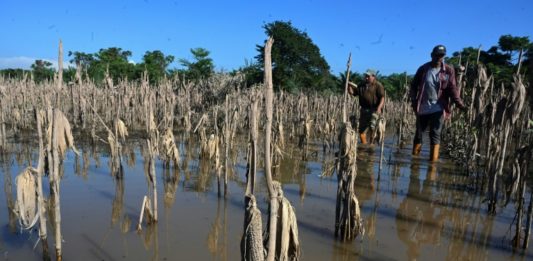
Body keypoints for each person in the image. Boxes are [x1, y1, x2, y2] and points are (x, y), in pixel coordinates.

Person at [410, 45, 466, 161]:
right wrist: (413, 101)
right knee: (419, 134)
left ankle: (433, 164)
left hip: (439, 107)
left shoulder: (448, 70)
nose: (439, 58)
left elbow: (452, 88)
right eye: (437, 55)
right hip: (423, 107)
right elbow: (414, 86)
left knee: (435, 134)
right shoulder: (423, 69)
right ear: (432, 55)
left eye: (441, 56)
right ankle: (415, 161)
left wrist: (459, 103)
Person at [348, 69, 385, 144]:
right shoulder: (361, 85)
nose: (366, 77)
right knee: (361, 132)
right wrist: (348, 86)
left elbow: (382, 98)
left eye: (368, 76)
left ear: (373, 76)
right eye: (366, 76)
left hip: (374, 110)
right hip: (364, 110)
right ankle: (365, 146)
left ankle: (371, 146)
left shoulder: (378, 85)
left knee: (373, 129)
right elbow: (353, 93)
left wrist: (379, 108)